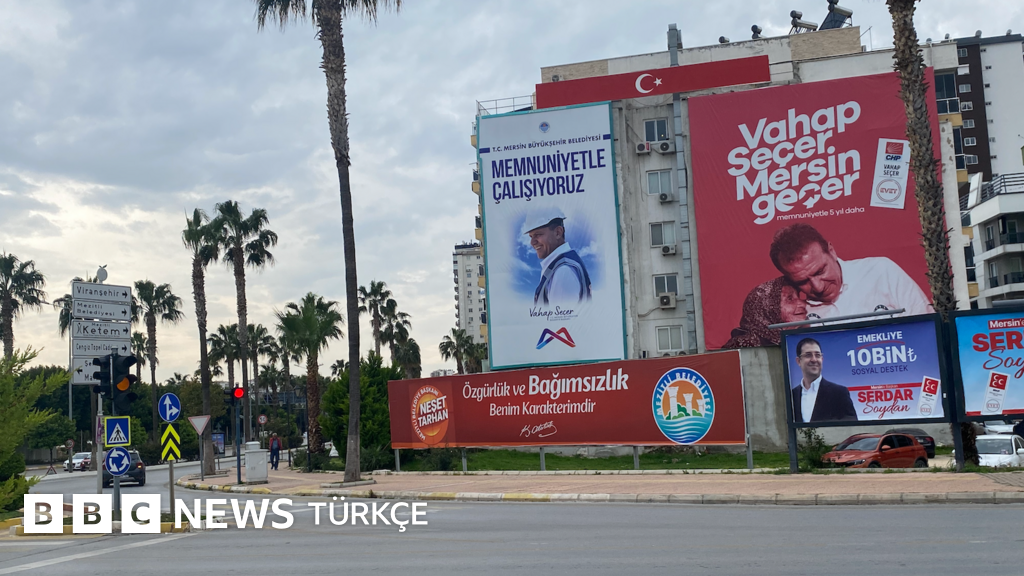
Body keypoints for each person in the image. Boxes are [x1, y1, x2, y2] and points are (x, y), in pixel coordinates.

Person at [769, 223, 933, 320]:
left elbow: (927, 328)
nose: (818, 287)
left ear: (832, 251)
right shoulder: (797, 313)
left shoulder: (881, 271)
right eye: (803, 282)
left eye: (820, 271)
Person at [524, 208, 592, 306]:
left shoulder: (563, 271)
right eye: (531, 237)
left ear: (558, 232)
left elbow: (561, 316)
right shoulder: (560, 265)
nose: (532, 242)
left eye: (537, 235)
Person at [723, 277, 808, 348]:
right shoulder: (745, 344)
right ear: (767, 308)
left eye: (798, 296)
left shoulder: (800, 337)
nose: (803, 304)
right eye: (790, 298)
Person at [791, 337, 858, 422]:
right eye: (808, 355)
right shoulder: (792, 396)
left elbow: (852, 423)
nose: (814, 359)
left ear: (822, 359)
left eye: (817, 355)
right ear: (798, 361)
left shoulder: (839, 393)